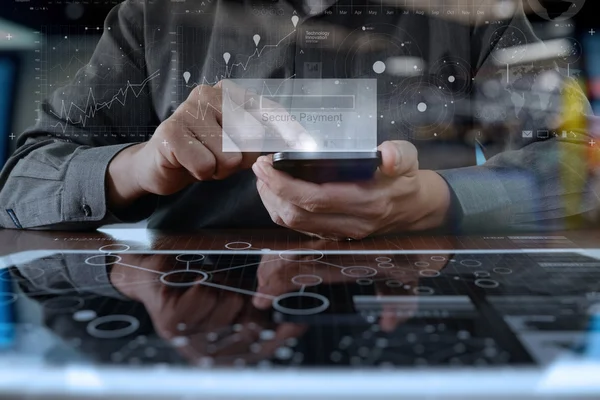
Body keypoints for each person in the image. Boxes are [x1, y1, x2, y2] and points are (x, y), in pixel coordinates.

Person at [0, 0, 597, 239]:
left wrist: (437, 200)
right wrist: (140, 166)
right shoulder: (153, 16)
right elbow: (22, 180)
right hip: (199, 331)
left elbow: (585, 164)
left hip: (416, 305)